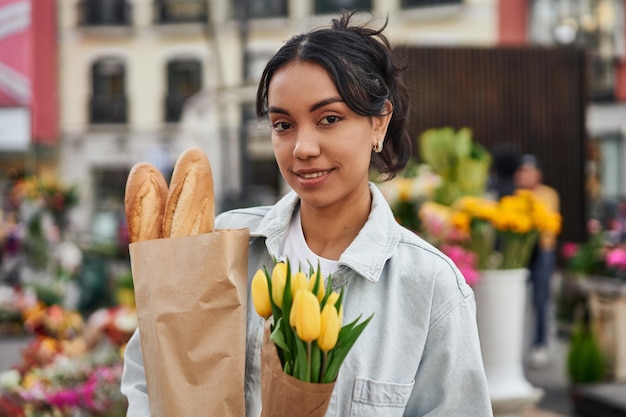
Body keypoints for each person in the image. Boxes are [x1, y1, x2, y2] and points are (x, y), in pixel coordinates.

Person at [121, 11, 493, 416]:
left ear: (378, 124)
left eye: (329, 119)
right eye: (283, 125)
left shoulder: (430, 287)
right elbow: (150, 374)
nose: (302, 148)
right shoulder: (222, 244)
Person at [515, 154, 560, 368]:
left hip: (542, 251)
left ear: (537, 175)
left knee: (541, 298)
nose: (524, 175)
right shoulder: (515, 196)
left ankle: (540, 343)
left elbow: (545, 222)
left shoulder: (548, 194)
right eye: (522, 171)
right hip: (522, 251)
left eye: (528, 171)